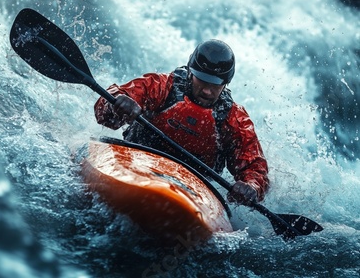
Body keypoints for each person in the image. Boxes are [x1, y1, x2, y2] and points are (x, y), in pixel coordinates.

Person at [93, 39, 269, 205]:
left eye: (215, 84)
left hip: (192, 188)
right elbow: (106, 111)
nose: (207, 91)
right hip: (137, 160)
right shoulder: (162, 87)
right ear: (191, 72)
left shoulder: (234, 118)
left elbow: (255, 168)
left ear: (226, 83)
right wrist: (116, 104)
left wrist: (251, 187)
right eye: (202, 80)